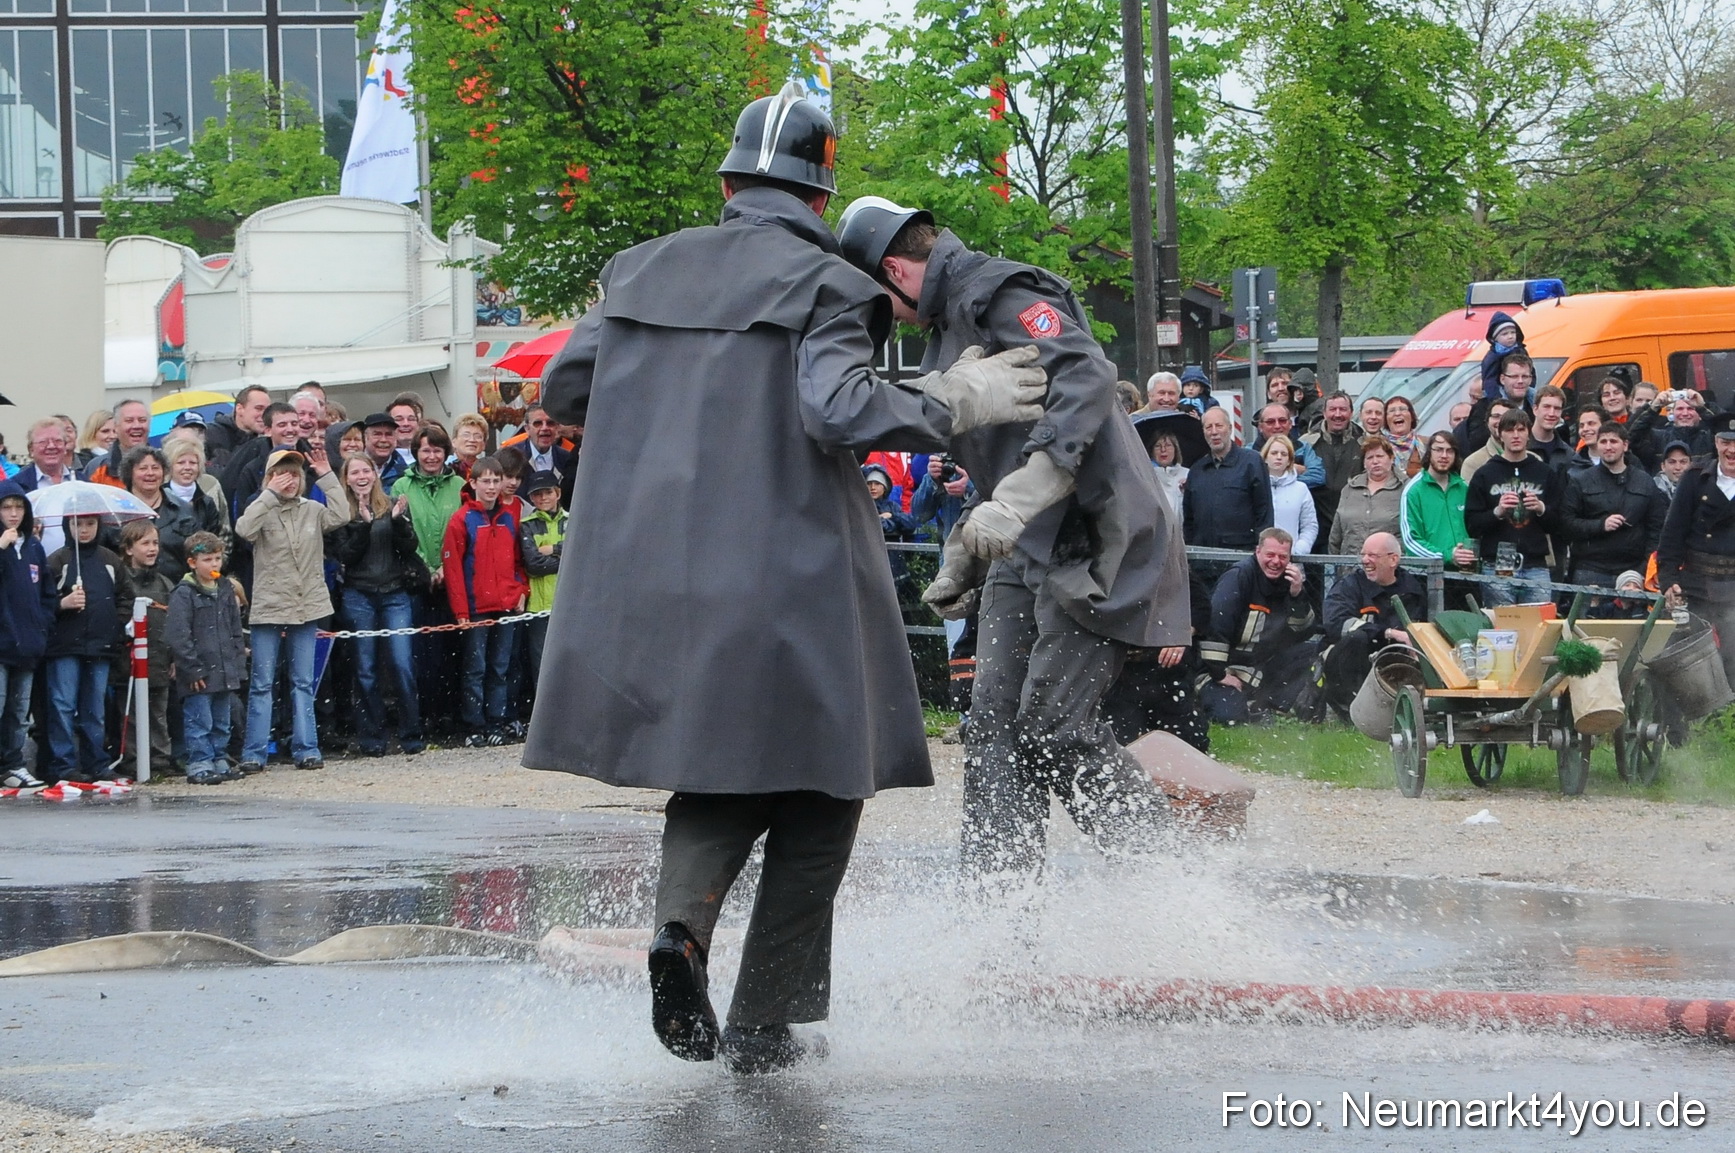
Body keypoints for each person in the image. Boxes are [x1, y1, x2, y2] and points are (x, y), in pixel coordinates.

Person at [526, 89, 1045, 1076]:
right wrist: (952, 396)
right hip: (792, 568)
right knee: (826, 781)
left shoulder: (637, 270)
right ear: (819, 195)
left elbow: (563, 390)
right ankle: (766, 1019)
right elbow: (840, 406)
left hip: (659, 572)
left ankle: (679, 930)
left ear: (727, 183)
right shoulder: (828, 283)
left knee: (716, 770)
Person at [836, 191, 1186, 885]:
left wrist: (1027, 490)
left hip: (1097, 533)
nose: (881, 318)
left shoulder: (1003, 288)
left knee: (1054, 724)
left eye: (876, 297)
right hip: (1027, 543)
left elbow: (1085, 374)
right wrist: (971, 530)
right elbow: (992, 437)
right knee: (991, 729)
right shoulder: (946, 323)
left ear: (894, 271)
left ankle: (1172, 886)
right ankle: (997, 907)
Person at [235, 446, 348, 773]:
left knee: (302, 681)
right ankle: (254, 753)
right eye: (282, 473)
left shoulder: (312, 509)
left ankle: (307, 748)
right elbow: (244, 529)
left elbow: (342, 515)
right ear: (269, 477)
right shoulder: (261, 508)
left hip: (306, 604)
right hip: (269, 606)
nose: (290, 480)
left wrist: (326, 476)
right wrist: (269, 494)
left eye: (295, 474)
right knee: (262, 683)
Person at [327, 454, 428, 756]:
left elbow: (410, 547)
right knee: (366, 669)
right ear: (346, 478)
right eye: (354, 471)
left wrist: (397, 521)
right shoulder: (341, 512)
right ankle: (372, 737)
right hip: (359, 596)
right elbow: (344, 556)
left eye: (366, 470)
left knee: (401, 664)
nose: (361, 476)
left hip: (395, 594)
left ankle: (411, 733)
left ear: (374, 474)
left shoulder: (393, 503)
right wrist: (362, 526)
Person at [443, 455, 528, 746]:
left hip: (506, 603)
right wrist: (461, 611)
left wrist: (521, 592)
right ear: (474, 482)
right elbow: (453, 569)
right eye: (486, 481)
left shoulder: (508, 516)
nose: (492, 487)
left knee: (500, 667)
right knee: (475, 669)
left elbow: (519, 560)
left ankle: (497, 720)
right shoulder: (461, 519)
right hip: (477, 608)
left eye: (496, 480)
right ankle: (474, 725)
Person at [43, 513, 132, 783]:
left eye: (90, 524)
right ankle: (63, 764)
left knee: (95, 708)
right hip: (64, 646)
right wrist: (63, 603)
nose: (84, 530)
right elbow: (43, 601)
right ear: (67, 527)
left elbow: (126, 596)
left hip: (100, 645)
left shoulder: (110, 560)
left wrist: (114, 626)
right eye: (77, 524)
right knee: (63, 705)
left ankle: (96, 761)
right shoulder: (58, 560)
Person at [392, 424, 468, 734]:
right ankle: (423, 715)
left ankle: (449, 714)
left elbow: (465, 530)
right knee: (419, 653)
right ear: (416, 453)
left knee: (451, 652)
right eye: (425, 450)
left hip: (452, 578)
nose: (432, 456)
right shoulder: (401, 487)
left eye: (437, 450)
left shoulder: (461, 485)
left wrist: (444, 569)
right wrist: (427, 569)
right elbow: (403, 534)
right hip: (416, 581)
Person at [1200, 528, 1318, 723]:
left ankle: (1269, 706)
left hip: (1261, 666)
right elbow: (1215, 627)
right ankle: (1215, 700)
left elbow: (1304, 631)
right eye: (1270, 555)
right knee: (1230, 718)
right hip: (1223, 669)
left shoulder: (1289, 583)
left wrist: (1298, 595)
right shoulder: (1238, 577)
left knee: (1312, 651)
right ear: (1257, 552)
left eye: (1283, 556)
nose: (1276, 562)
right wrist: (1220, 674)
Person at [1657, 413, 1735, 686]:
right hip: (1697, 586)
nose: (1732, 450)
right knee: (1693, 663)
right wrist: (1668, 580)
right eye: (1726, 441)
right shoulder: (1694, 479)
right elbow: (1672, 533)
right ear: (1716, 443)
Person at [1319, 532, 1428, 720]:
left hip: (1391, 661)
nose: (1365, 560)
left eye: (1372, 555)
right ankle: (1348, 712)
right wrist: (1387, 633)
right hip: (1346, 660)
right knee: (1357, 639)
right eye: (1363, 554)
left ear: (1393, 559)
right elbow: (1335, 623)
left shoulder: (1413, 591)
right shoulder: (1349, 585)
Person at [167, 533, 248, 784]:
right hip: (199, 673)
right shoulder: (184, 593)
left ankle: (219, 758)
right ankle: (199, 762)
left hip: (224, 670)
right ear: (192, 563)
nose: (214, 565)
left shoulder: (225, 588)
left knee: (221, 720)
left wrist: (237, 665)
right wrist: (191, 669)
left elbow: (235, 629)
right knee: (199, 720)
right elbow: (179, 635)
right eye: (207, 559)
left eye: (217, 558)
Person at [1466, 409, 1564, 606]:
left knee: (1539, 626)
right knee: (1502, 627)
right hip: (1497, 563)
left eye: (1521, 429)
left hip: (1535, 563)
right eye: (1510, 430)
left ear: (1529, 433)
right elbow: (1472, 525)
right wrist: (1497, 512)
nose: (1516, 435)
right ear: (1500, 434)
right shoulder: (1485, 473)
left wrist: (1541, 508)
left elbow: (1561, 524)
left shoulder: (1544, 472)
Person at [1562, 422, 1667, 589]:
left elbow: (1656, 530)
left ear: (1625, 445)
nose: (1608, 447)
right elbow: (1566, 523)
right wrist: (1600, 525)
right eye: (1603, 442)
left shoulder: (1645, 481)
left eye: (1614, 441)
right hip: (1590, 570)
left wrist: (1642, 569)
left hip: (1632, 572)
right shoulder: (1581, 481)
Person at [0, 480, 54, 789]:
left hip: (28, 643)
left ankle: (13, 764)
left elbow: (46, 593)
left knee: (19, 712)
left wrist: (42, 625)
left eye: (18, 507)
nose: (13, 514)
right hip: (2, 641)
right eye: (6, 507)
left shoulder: (33, 546)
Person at [120, 445, 222, 581]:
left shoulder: (184, 510)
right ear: (130, 473)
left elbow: (199, 552)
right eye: (143, 468)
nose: (150, 473)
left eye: (155, 468)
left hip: (177, 589)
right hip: (129, 590)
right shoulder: (117, 509)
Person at [1185, 406, 1273, 549]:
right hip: (1203, 557)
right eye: (1208, 427)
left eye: (1219, 426)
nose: (1214, 432)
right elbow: (1189, 520)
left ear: (1230, 428)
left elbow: (1264, 512)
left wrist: (1261, 550)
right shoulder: (1196, 470)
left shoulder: (1252, 462)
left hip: (1241, 556)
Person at [517, 469, 566, 707]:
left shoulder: (573, 520)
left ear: (558, 493)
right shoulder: (527, 525)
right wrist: (565, 553)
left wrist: (553, 549)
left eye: (547, 492)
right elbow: (534, 565)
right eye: (537, 494)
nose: (543, 498)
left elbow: (582, 556)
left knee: (569, 662)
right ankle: (544, 712)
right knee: (541, 665)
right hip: (538, 605)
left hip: (567, 604)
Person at [1400, 432, 1477, 574]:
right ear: (1429, 452)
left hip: (1465, 574)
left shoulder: (1464, 488)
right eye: (1439, 449)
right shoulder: (1413, 491)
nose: (1444, 456)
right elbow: (1411, 541)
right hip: (1427, 575)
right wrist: (1446, 555)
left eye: (1450, 451)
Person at [1301, 391, 1363, 541]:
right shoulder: (1306, 444)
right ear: (1324, 412)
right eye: (1332, 409)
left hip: (1353, 527)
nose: (1337, 414)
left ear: (1351, 412)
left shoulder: (1364, 443)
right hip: (1316, 528)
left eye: (1343, 409)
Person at [1329, 438, 1404, 559]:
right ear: (1364, 463)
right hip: (1351, 567)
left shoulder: (1405, 488)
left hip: (1389, 567)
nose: (1375, 461)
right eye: (1369, 458)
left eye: (1380, 456)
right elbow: (1336, 534)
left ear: (1391, 458)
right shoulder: (1349, 489)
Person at [1262, 435, 1317, 554]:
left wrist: (1300, 549)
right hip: (1260, 558)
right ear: (1265, 457)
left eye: (1284, 454)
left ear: (1289, 460)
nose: (1279, 457)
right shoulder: (1256, 487)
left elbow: (1310, 525)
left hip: (1291, 557)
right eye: (1274, 453)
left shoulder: (1301, 489)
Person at [85, 399, 151, 488]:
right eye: (129, 421)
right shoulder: (98, 468)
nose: (137, 426)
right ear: (116, 426)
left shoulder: (163, 463)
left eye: (142, 420)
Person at [205, 385, 271, 469]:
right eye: (259, 408)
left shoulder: (266, 441)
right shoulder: (210, 434)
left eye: (267, 410)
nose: (265, 414)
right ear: (239, 409)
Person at [14, 418, 82, 493]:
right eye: (43, 442)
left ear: (65, 447)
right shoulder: (15, 486)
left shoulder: (82, 482)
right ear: (31, 449)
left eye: (57, 441)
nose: (51, 446)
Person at [1458, 398, 1517, 480]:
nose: (1500, 421)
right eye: (1496, 416)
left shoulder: (1532, 458)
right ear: (1487, 422)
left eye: (1506, 416)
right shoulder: (1473, 463)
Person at [1478, 312, 1527, 400]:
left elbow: (1531, 371)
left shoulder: (1521, 351)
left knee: (1534, 397)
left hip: (1521, 389)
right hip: (1499, 391)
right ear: (1495, 338)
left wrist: (1530, 384)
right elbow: (1489, 380)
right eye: (1505, 334)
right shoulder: (1493, 356)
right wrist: (1496, 398)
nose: (1510, 336)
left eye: (1513, 332)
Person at [361, 412, 409, 491]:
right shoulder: (350, 468)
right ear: (365, 437)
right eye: (377, 434)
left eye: (389, 434)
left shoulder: (404, 472)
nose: (383, 440)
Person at [1382, 396, 1423, 477]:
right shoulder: (1379, 447)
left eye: (1402, 409)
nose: (1397, 414)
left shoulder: (1428, 444)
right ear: (1386, 419)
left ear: (1412, 416)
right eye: (1392, 411)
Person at [451, 413, 490, 480]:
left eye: (477, 436)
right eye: (466, 435)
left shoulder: (488, 470)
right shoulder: (445, 467)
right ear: (454, 442)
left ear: (484, 444)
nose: (472, 440)